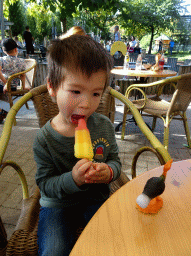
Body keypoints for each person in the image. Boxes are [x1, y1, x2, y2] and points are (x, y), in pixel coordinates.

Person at [33, 35, 122, 256]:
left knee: (115, 244)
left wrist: (109, 171)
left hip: (96, 199)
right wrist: (72, 180)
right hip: (58, 205)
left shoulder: (104, 126)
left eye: (95, 94)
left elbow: (116, 162)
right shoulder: (44, 139)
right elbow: (45, 184)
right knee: (54, 251)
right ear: (52, 88)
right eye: (75, 91)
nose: (86, 103)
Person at [0, 38, 26, 121]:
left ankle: (1, 112)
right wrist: (23, 87)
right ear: (16, 49)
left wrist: (5, 83)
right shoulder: (22, 61)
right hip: (14, 86)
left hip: (4, 85)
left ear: (4, 51)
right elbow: (23, 76)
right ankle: (1, 113)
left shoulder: (2, 60)